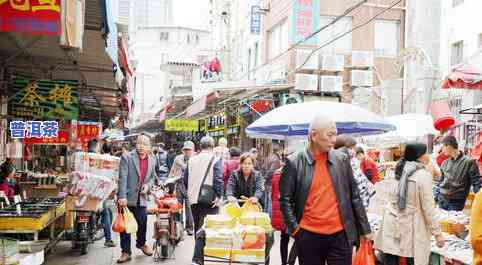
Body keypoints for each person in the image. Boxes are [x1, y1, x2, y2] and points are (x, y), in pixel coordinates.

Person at [279, 115, 372, 265]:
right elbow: (285, 200)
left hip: (340, 235)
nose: (334, 140)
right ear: (314, 136)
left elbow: (354, 196)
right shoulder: (294, 162)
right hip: (308, 236)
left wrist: (365, 229)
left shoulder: (341, 159)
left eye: (335, 134)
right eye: (330, 135)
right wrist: (295, 230)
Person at [375, 142, 445, 265]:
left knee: (391, 257)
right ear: (419, 156)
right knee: (413, 258)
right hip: (411, 227)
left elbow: (389, 196)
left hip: (391, 223)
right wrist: (437, 234)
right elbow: (428, 208)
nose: (428, 155)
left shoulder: (398, 169)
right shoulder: (422, 176)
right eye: (425, 153)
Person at [117, 135, 157, 263]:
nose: (141, 146)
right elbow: (122, 178)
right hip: (127, 198)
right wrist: (121, 196)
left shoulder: (152, 159)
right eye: (139, 143)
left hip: (142, 198)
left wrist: (148, 185)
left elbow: (152, 178)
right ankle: (126, 251)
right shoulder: (127, 157)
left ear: (149, 147)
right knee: (125, 226)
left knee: (142, 222)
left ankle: (141, 244)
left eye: (144, 144)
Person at [185, 136, 223, 265]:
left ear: (200, 147)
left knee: (198, 227)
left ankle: (199, 256)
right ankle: (198, 258)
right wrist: (219, 196)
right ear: (212, 146)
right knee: (208, 228)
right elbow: (218, 180)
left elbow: (185, 180)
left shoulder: (191, 160)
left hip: (193, 199)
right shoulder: (215, 159)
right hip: (209, 199)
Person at [437, 136, 481, 211]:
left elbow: (476, 182)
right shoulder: (444, 163)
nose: (442, 150)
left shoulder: (469, 162)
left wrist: (480, 199)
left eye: (443, 147)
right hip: (442, 199)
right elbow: (440, 182)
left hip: (455, 202)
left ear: (448, 145)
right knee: (440, 222)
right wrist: (437, 196)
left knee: (453, 222)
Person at [335, 135, 375, 210]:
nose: (353, 152)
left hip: (362, 203)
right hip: (353, 207)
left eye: (354, 149)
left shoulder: (353, 162)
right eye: (350, 148)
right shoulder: (339, 166)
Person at [272, 149, 297, 265]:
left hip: (281, 212)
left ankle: (284, 263)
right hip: (292, 212)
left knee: (284, 238)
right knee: (298, 239)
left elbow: (273, 195)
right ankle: (290, 262)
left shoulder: (277, 173)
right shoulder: (295, 173)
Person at [168, 141, 195, 235]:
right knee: (178, 206)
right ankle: (179, 226)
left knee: (189, 207)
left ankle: (190, 227)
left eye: (189, 150)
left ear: (193, 151)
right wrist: (169, 181)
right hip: (179, 184)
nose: (187, 152)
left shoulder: (195, 159)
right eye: (185, 150)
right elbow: (172, 170)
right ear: (183, 150)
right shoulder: (178, 158)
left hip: (190, 186)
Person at [264, 144, 283, 216]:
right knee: (270, 201)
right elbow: (272, 171)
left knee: (267, 201)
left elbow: (264, 167)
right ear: (279, 151)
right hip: (270, 182)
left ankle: (265, 215)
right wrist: (266, 177)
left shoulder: (268, 157)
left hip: (267, 182)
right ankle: (269, 216)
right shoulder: (276, 159)